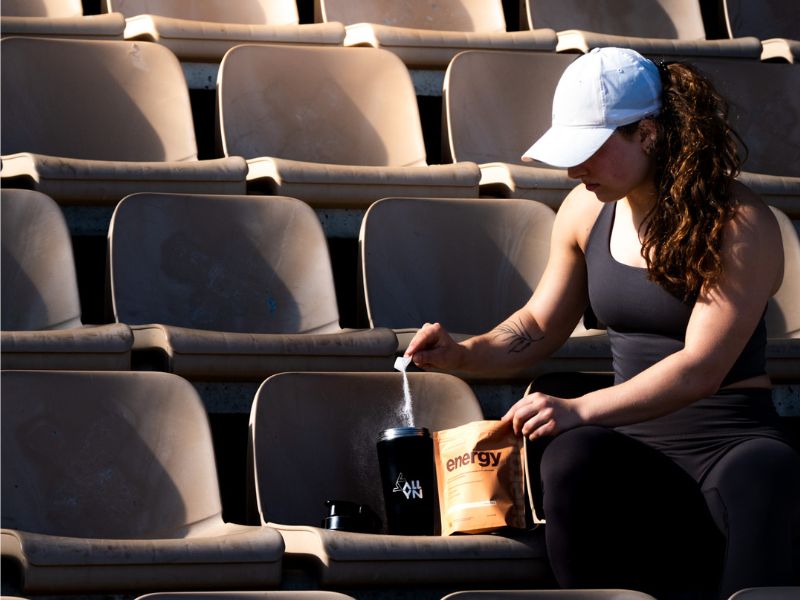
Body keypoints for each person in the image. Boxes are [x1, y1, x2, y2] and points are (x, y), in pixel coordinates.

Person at [405, 47, 800, 598]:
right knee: (571, 458)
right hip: (633, 448)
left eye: (589, 150)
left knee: (766, 476)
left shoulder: (739, 221)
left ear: (649, 133)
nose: (573, 169)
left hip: (728, 446)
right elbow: (538, 325)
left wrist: (580, 408)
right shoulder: (584, 209)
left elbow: (700, 368)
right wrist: (463, 353)